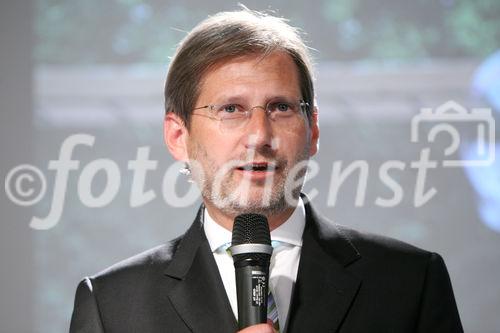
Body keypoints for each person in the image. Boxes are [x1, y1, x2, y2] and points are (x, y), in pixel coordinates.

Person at [70, 7, 463, 333]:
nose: (259, 135)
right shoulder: (111, 305)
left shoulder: (411, 282)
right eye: (230, 109)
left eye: (281, 107)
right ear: (178, 137)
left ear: (314, 131)